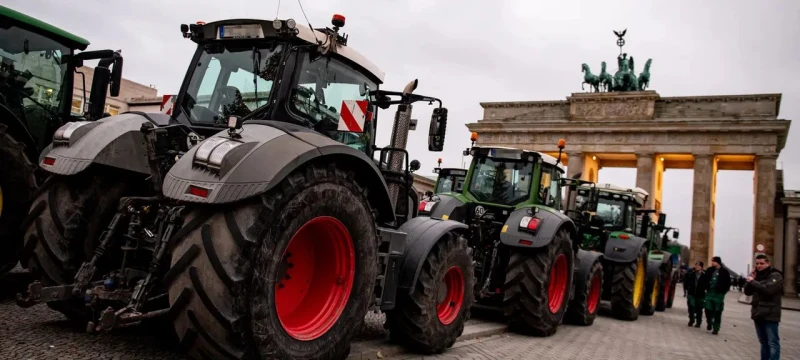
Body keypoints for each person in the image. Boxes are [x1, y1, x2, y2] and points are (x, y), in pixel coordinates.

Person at [745, 254, 783, 360]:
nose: (759, 266)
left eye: (762, 263)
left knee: (773, 342)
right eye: (757, 264)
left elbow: (768, 290)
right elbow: (747, 292)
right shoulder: (756, 276)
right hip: (758, 313)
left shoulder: (776, 275)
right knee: (763, 342)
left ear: (768, 263)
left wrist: (753, 281)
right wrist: (751, 279)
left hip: (770, 314)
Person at [698, 256, 731, 335]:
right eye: (712, 261)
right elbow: (704, 280)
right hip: (709, 292)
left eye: (714, 261)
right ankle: (709, 322)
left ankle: (716, 328)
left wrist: (723, 292)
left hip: (718, 294)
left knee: (717, 311)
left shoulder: (724, 272)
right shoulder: (709, 270)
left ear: (718, 262)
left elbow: (728, 283)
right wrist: (705, 288)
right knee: (707, 309)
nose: (712, 262)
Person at [682, 261, 705, 327]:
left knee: (699, 309)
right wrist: (687, 288)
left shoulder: (705, 275)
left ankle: (698, 322)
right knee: (691, 307)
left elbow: (707, 284)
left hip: (700, 295)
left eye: (698, 265)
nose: (697, 266)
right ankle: (691, 320)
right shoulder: (690, 273)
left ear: (701, 267)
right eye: (696, 265)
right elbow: (685, 281)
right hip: (691, 293)